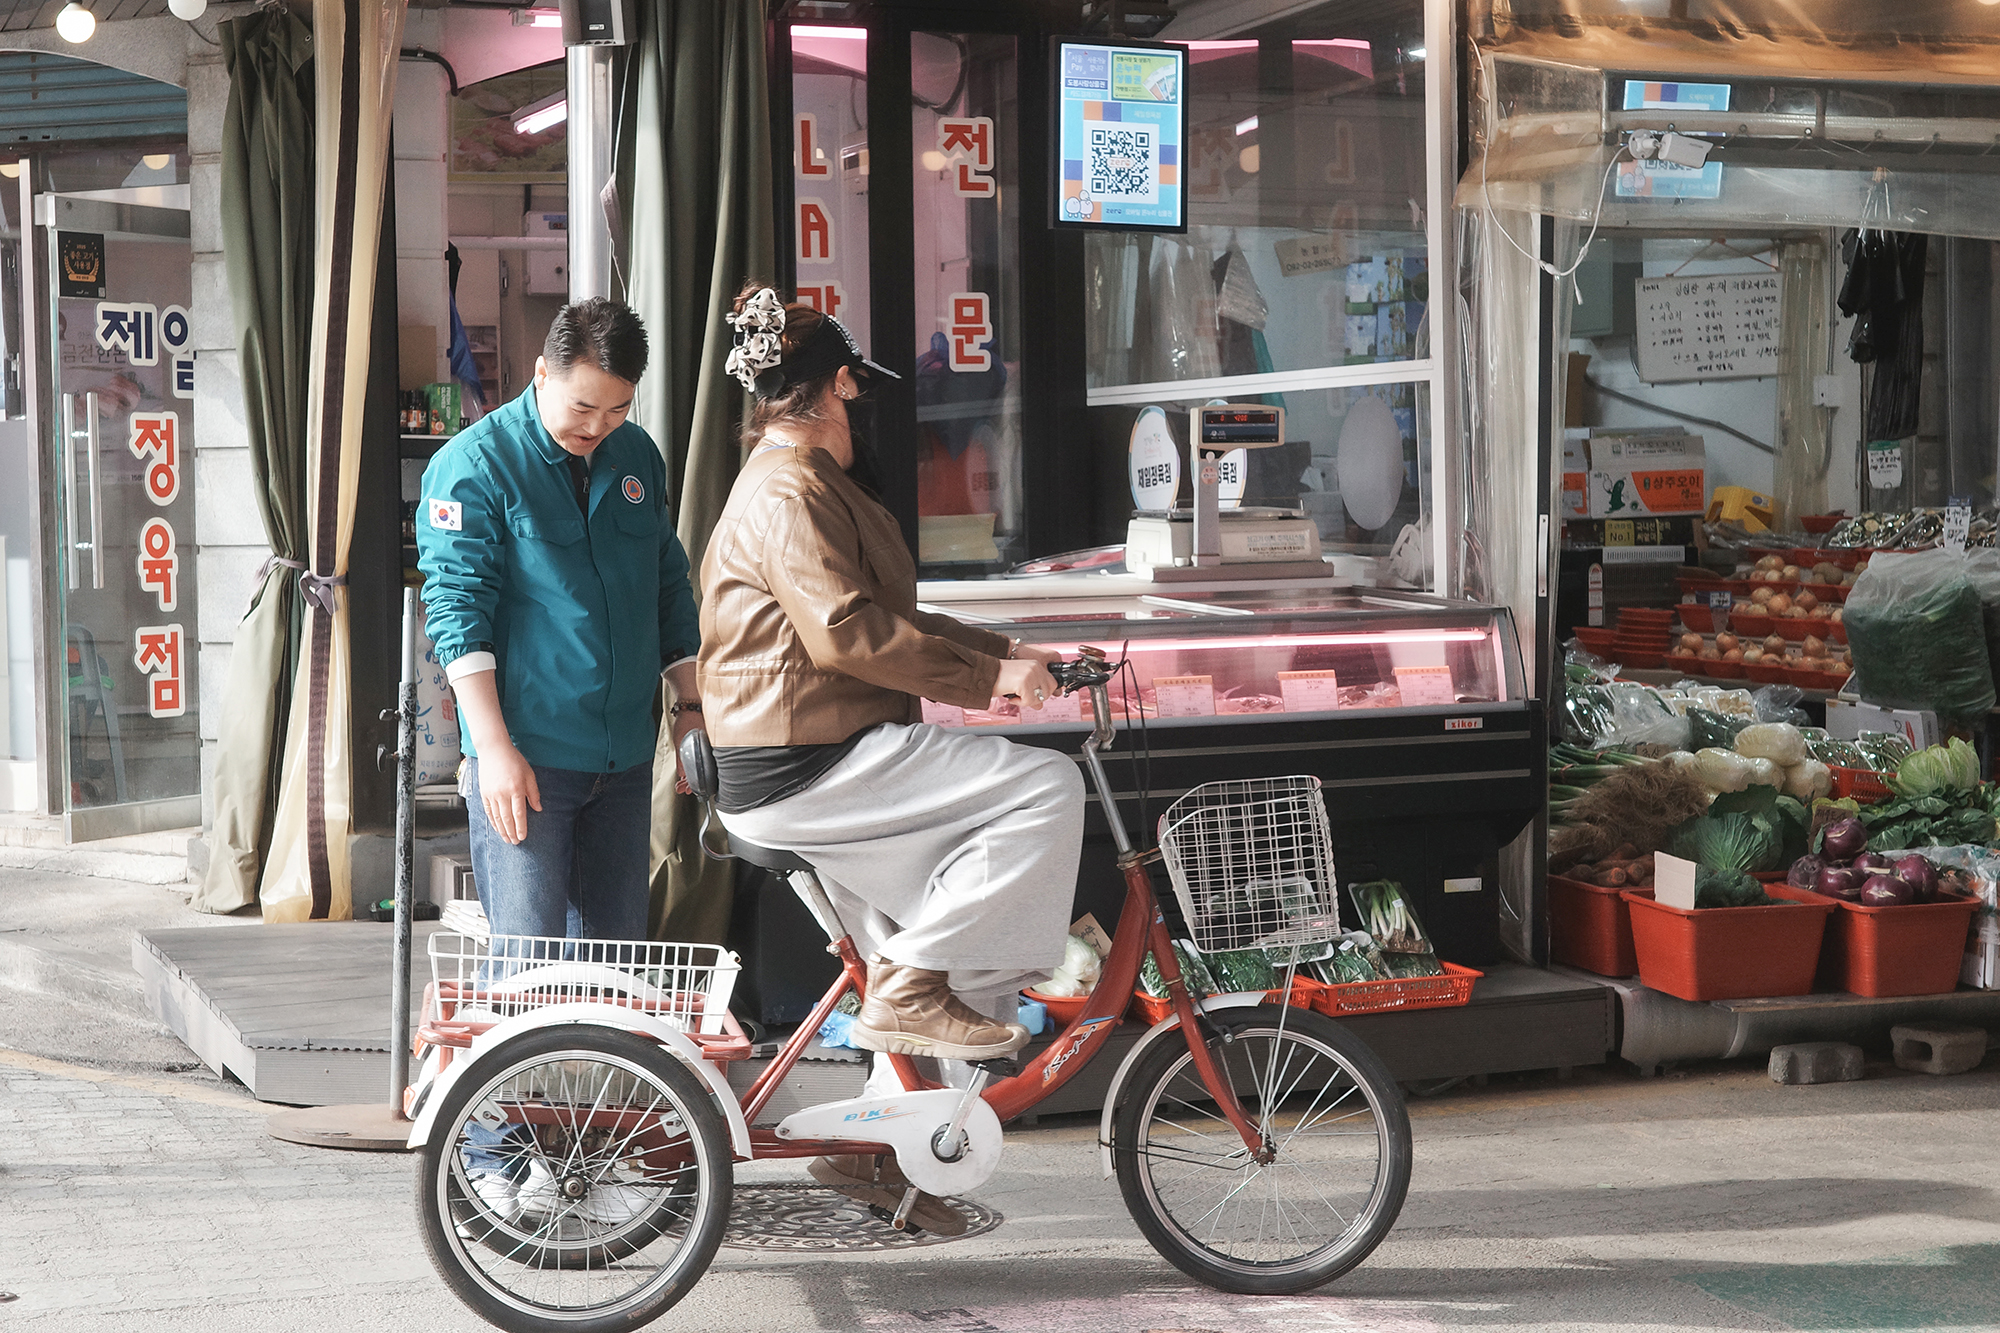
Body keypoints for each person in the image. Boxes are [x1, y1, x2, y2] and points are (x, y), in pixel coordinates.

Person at [698, 283, 1084, 1233]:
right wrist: (991, 680)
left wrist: (1008, 656)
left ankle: (873, 1156)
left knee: (912, 949)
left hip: (811, 750)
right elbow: (849, 633)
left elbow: (892, 619)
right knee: (1046, 784)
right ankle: (915, 982)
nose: (861, 407)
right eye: (854, 390)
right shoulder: (790, 488)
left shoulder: (807, 483)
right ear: (834, 386)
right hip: (804, 761)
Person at [418, 297, 703, 945]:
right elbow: (458, 613)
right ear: (543, 373)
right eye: (582, 407)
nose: (598, 426)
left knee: (614, 960)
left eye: (617, 408)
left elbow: (666, 582)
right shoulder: (475, 466)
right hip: (527, 756)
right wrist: (491, 748)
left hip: (625, 757)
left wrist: (690, 704)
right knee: (530, 963)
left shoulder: (636, 455)